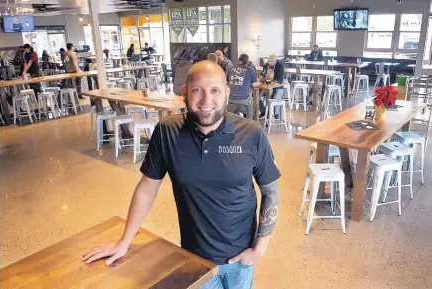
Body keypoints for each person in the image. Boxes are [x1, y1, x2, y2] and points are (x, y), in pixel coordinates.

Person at [82, 61, 281, 289]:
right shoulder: (167, 131)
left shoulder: (252, 134)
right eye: (198, 90)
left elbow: (270, 190)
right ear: (185, 92)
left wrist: (259, 248)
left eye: (215, 90)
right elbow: (147, 188)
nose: (206, 101)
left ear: (226, 93)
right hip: (195, 258)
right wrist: (124, 241)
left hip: (241, 258)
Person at [227, 54, 258, 120]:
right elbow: (254, 85)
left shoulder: (231, 68)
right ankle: (250, 124)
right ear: (247, 61)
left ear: (239, 60)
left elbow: (227, 81)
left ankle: (236, 122)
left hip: (230, 99)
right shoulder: (250, 70)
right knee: (251, 106)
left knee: (235, 112)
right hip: (243, 100)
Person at [259, 54, 285, 119]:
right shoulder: (266, 65)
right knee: (257, 97)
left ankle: (276, 116)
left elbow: (279, 80)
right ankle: (264, 112)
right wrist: (263, 77)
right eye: (269, 62)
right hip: (267, 87)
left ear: (275, 61)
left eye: (272, 62)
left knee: (273, 98)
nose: (270, 64)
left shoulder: (280, 66)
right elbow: (262, 76)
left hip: (278, 88)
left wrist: (270, 79)